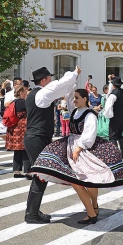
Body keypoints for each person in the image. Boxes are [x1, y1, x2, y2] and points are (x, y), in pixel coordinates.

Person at [30, 88, 123, 224]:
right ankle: (93, 208)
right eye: (74, 97)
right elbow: (69, 98)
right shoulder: (75, 111)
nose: (74, 100)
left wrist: (78, 148)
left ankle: (92, 211)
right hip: (72, 145)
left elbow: (90, 134)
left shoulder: (90, 115)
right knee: (80, 180)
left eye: (77, 98)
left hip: (84, 149)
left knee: (83, 180)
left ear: (85, 99)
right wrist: (72, 80)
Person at [24, 66, 81, 224]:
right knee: (42, 175)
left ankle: (33, 211)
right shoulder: (41, 93)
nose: (51, 81)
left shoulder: (36, 94)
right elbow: (60, 86)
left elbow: (61, 87)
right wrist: (74, 74)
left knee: (41, 175)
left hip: (37, 137)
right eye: (49, 78)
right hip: (37, 138)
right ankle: (31, 214)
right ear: (43, 80)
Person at [5, 86, 31, 179]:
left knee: (17, 151)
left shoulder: (12, 102)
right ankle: (28, 172)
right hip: (23, 128)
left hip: (13, 128)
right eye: (25, 91)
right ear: (21, 93)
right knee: (26, 150)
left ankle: (17, 171)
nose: (26, 93)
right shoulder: (24, 103)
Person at [102, 77, 123, 159]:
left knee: (112, 135)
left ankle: (115, 153)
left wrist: (108, 116)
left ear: (113, 85)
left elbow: (108, 106)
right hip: (122, 116)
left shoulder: (113, 94)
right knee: (119, 135)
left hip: (115, 116)